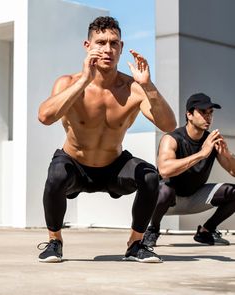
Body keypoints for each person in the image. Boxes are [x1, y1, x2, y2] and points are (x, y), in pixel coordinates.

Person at [37, 16, 176, 263]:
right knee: (56, 175)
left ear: (121, 47)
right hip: (74, 164)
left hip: (114, 166)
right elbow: (45, 117)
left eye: (114, 43)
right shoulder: (68, 83)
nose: (107, 49)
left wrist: (149, 86)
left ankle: (135, 244)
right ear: (87, 46)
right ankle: (54, 241)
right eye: (100, 42)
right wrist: (83, 79)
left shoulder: (134, 88)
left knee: (150, 176)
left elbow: (169, 125)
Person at [143, 93, 235, 247]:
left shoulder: (211, 140)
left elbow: (233, 172)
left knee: (233, 192)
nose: (208, 117)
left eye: (210, 112)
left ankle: (206, 232)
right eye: (203, 112)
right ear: (189, 115)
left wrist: (228, 155)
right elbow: (164, 170)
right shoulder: (172, 138)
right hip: (167, 201)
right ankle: (152, 229)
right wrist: (201, 154)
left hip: (195, 196)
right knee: (165, 190)